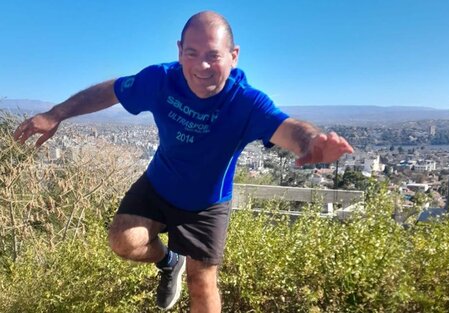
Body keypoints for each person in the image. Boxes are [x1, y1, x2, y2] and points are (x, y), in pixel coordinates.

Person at [13, 11, 353, 313]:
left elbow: (288, 128)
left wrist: (311, 143)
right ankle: (168, 261)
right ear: (179, 51)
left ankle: (182, 267)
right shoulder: (161, 80)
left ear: (234, 57)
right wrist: (56, 113)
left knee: (201, 285)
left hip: (206, 204)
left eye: (213, 56)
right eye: (191, 54)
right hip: (159, 183)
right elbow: (112, 90)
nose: (201, 66)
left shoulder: (246, 102)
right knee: (123, 241)